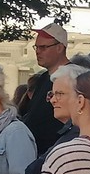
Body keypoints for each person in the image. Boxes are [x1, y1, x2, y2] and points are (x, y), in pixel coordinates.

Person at [23, 64, 84, 174]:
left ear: (80, 98)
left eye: (60, 94)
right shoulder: (70, 131)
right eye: (52, 94)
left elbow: (35, 173)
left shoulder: (79, 134)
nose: (53, 100)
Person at [17, 22, 70, 155]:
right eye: (36, 47)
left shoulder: (72, 77)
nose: (38, 52)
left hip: (54, 151)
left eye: (43, 47)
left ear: (59, 47)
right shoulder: (42, 78)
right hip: (34, 150)